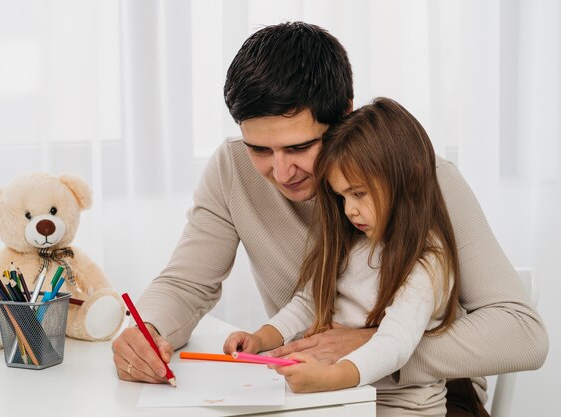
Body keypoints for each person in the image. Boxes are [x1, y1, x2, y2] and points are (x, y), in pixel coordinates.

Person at [111, 22, 548, 416]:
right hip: (315, 398)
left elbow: (522, 334)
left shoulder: (419, 179)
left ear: (345, 116)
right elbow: (187, 284)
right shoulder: (232, 170)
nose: (281, 173)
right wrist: (145, 332)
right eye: (260, 149)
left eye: (300, 147)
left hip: (427, 399)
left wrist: (374, 350)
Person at [224, 97, 461, 415]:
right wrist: (260, 338)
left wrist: (329, 377)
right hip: (344, 398)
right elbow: (308, 303)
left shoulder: (426, 263)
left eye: (359, 194)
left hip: (398, 408)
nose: (349, 209)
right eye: (342, 196)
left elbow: (394, 344)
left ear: (406, 178)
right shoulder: (355, 242)